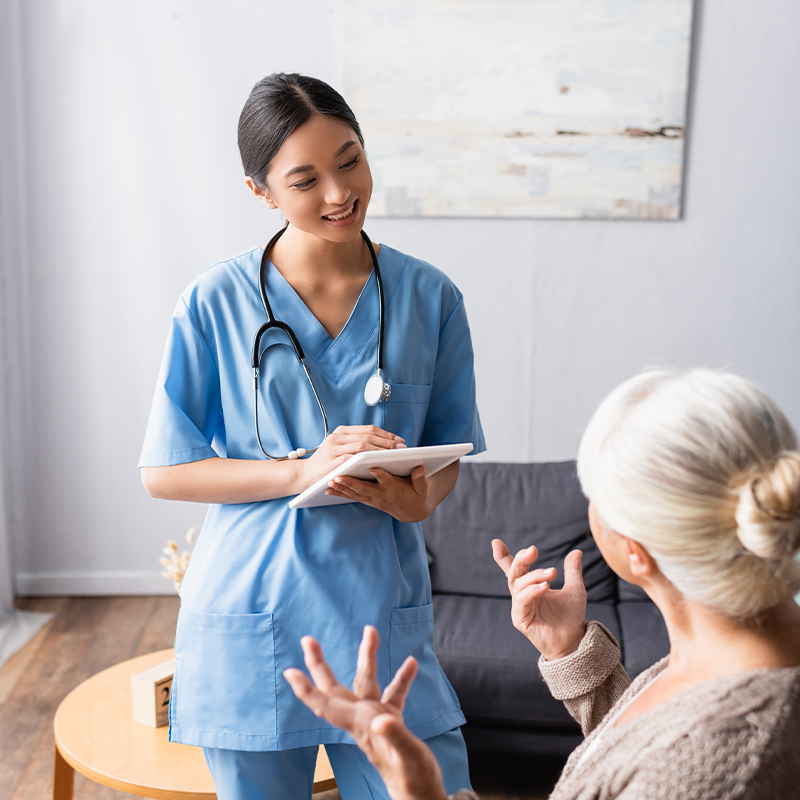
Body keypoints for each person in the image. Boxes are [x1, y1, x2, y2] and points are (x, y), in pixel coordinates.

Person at [139, 72, 485, 800]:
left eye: (351, 160)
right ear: (261, 192)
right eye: (305, 179)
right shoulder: (213, 302)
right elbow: (167, 472)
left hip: (379, 615)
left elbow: (451, 448)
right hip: (253, 612)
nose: (340, 192)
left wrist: (423, 501)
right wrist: (302, 473)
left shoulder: (431, 297)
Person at [285, 369, 800, 800]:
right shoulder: (731, 656)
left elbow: (673, 767)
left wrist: (420, 790)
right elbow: (642, 751)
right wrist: (570, 651)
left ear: (635, 552)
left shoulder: (720, 766)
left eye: (593, 496)